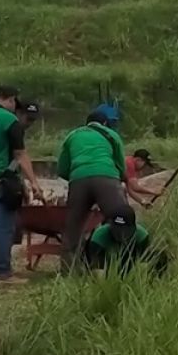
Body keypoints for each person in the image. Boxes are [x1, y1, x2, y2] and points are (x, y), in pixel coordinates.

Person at [0, 86, 46, 284]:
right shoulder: (10, 121)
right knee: (3, 228)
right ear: (10, 99)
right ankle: (3, 272)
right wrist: (34, 182)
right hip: (3, 181)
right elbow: (20, 154)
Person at [56, 110, 128, 271]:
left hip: (78, 179)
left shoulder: (72, 135)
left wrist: (78, 176)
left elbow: (61, 168)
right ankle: (117, 262)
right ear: (104, 123)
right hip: (107, 177)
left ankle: (69, 269)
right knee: (118, 219)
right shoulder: (111, 134)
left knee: (73, 225)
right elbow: (121, 166)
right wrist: (119, 178)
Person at [83, 205, 167, 276]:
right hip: (107, 268)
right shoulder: (99, 237)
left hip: (130, 265)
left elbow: (142, 262)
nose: (121, 236)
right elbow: (96, 268)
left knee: (160, 256)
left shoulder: (141, 236)